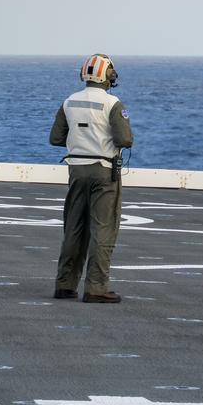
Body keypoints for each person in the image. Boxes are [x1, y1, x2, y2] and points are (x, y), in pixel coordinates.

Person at [50, 54, 134, 303]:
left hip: (76, 170)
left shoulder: (69, 102)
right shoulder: (113, 104)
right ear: (106, 75)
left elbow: (55, 138)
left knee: (73, 228)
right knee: (103, 229)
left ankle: (65, 284)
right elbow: (125, 140)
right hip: (103, 171)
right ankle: (96, 287)